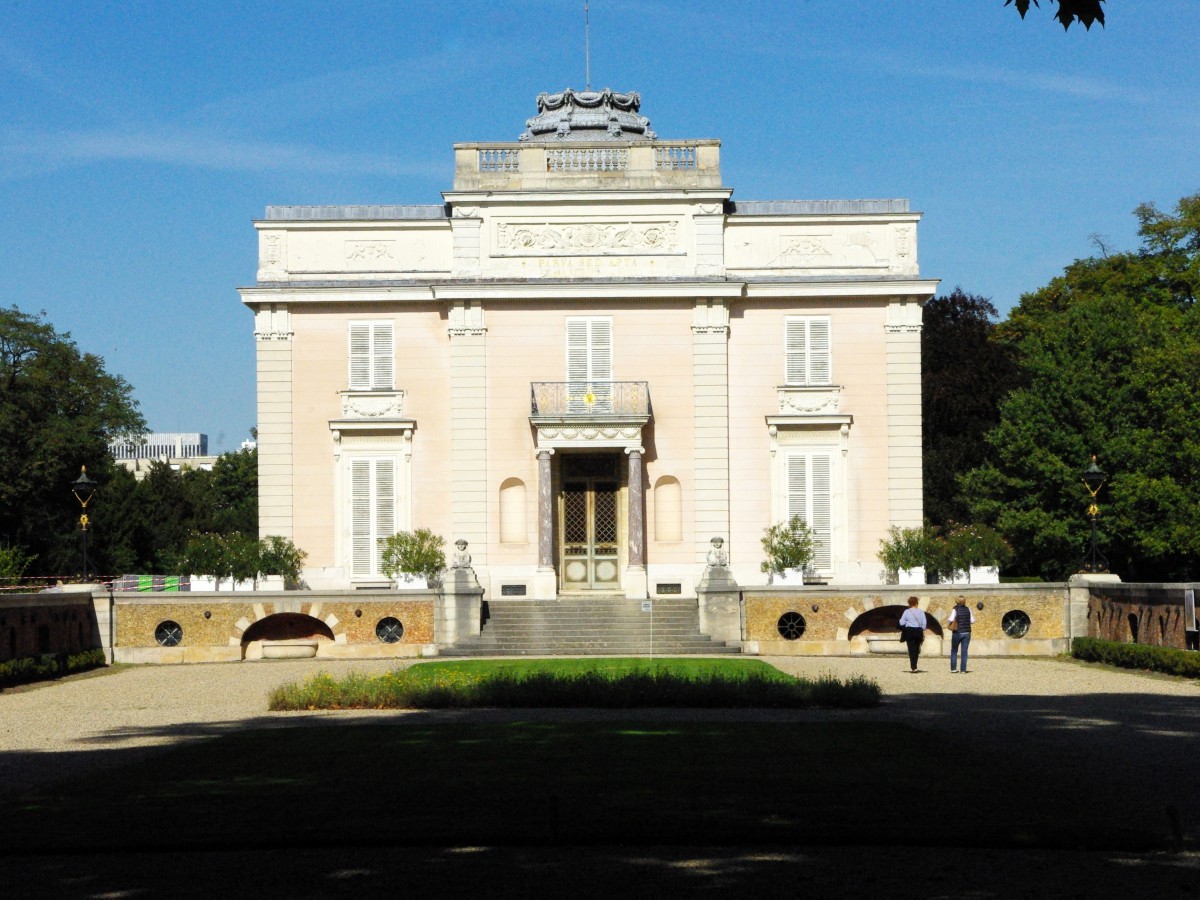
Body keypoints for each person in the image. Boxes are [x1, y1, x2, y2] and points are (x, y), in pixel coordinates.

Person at [946, 595, 976, 673]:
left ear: (957, 602)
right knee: (964, 652)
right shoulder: (968, 609)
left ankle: (953, 669)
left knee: (954, 651)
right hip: (967, 632)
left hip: (957, 632)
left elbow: (951, 619)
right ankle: (963, 670)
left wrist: (948, 620)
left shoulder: (955, 609)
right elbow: (972, 620)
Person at [898, 595, 927, 673]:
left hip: (909, 631)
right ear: (917, 603)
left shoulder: (907, 612)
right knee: (917, 649)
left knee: (911, 649)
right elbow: (924, 624)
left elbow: (901, 622)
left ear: (909, 603)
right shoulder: (921, 612)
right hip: (918, 631)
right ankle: (915, 665)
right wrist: (921, 629)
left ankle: (913, 667)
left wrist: (907, 623)